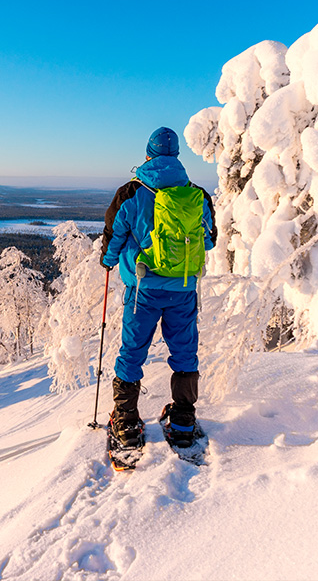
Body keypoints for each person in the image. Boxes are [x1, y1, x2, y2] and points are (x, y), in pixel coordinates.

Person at [100, 126, 216, 450]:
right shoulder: (197, 196)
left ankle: (125, 423)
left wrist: (108, 261)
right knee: (184, 352)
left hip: (143, 291)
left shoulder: (131, 193)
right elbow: (209, 240)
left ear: (148, 155)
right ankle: (182, 421)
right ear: (177, 156)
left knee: (132, 351)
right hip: (182, 289)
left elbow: (114, 235)